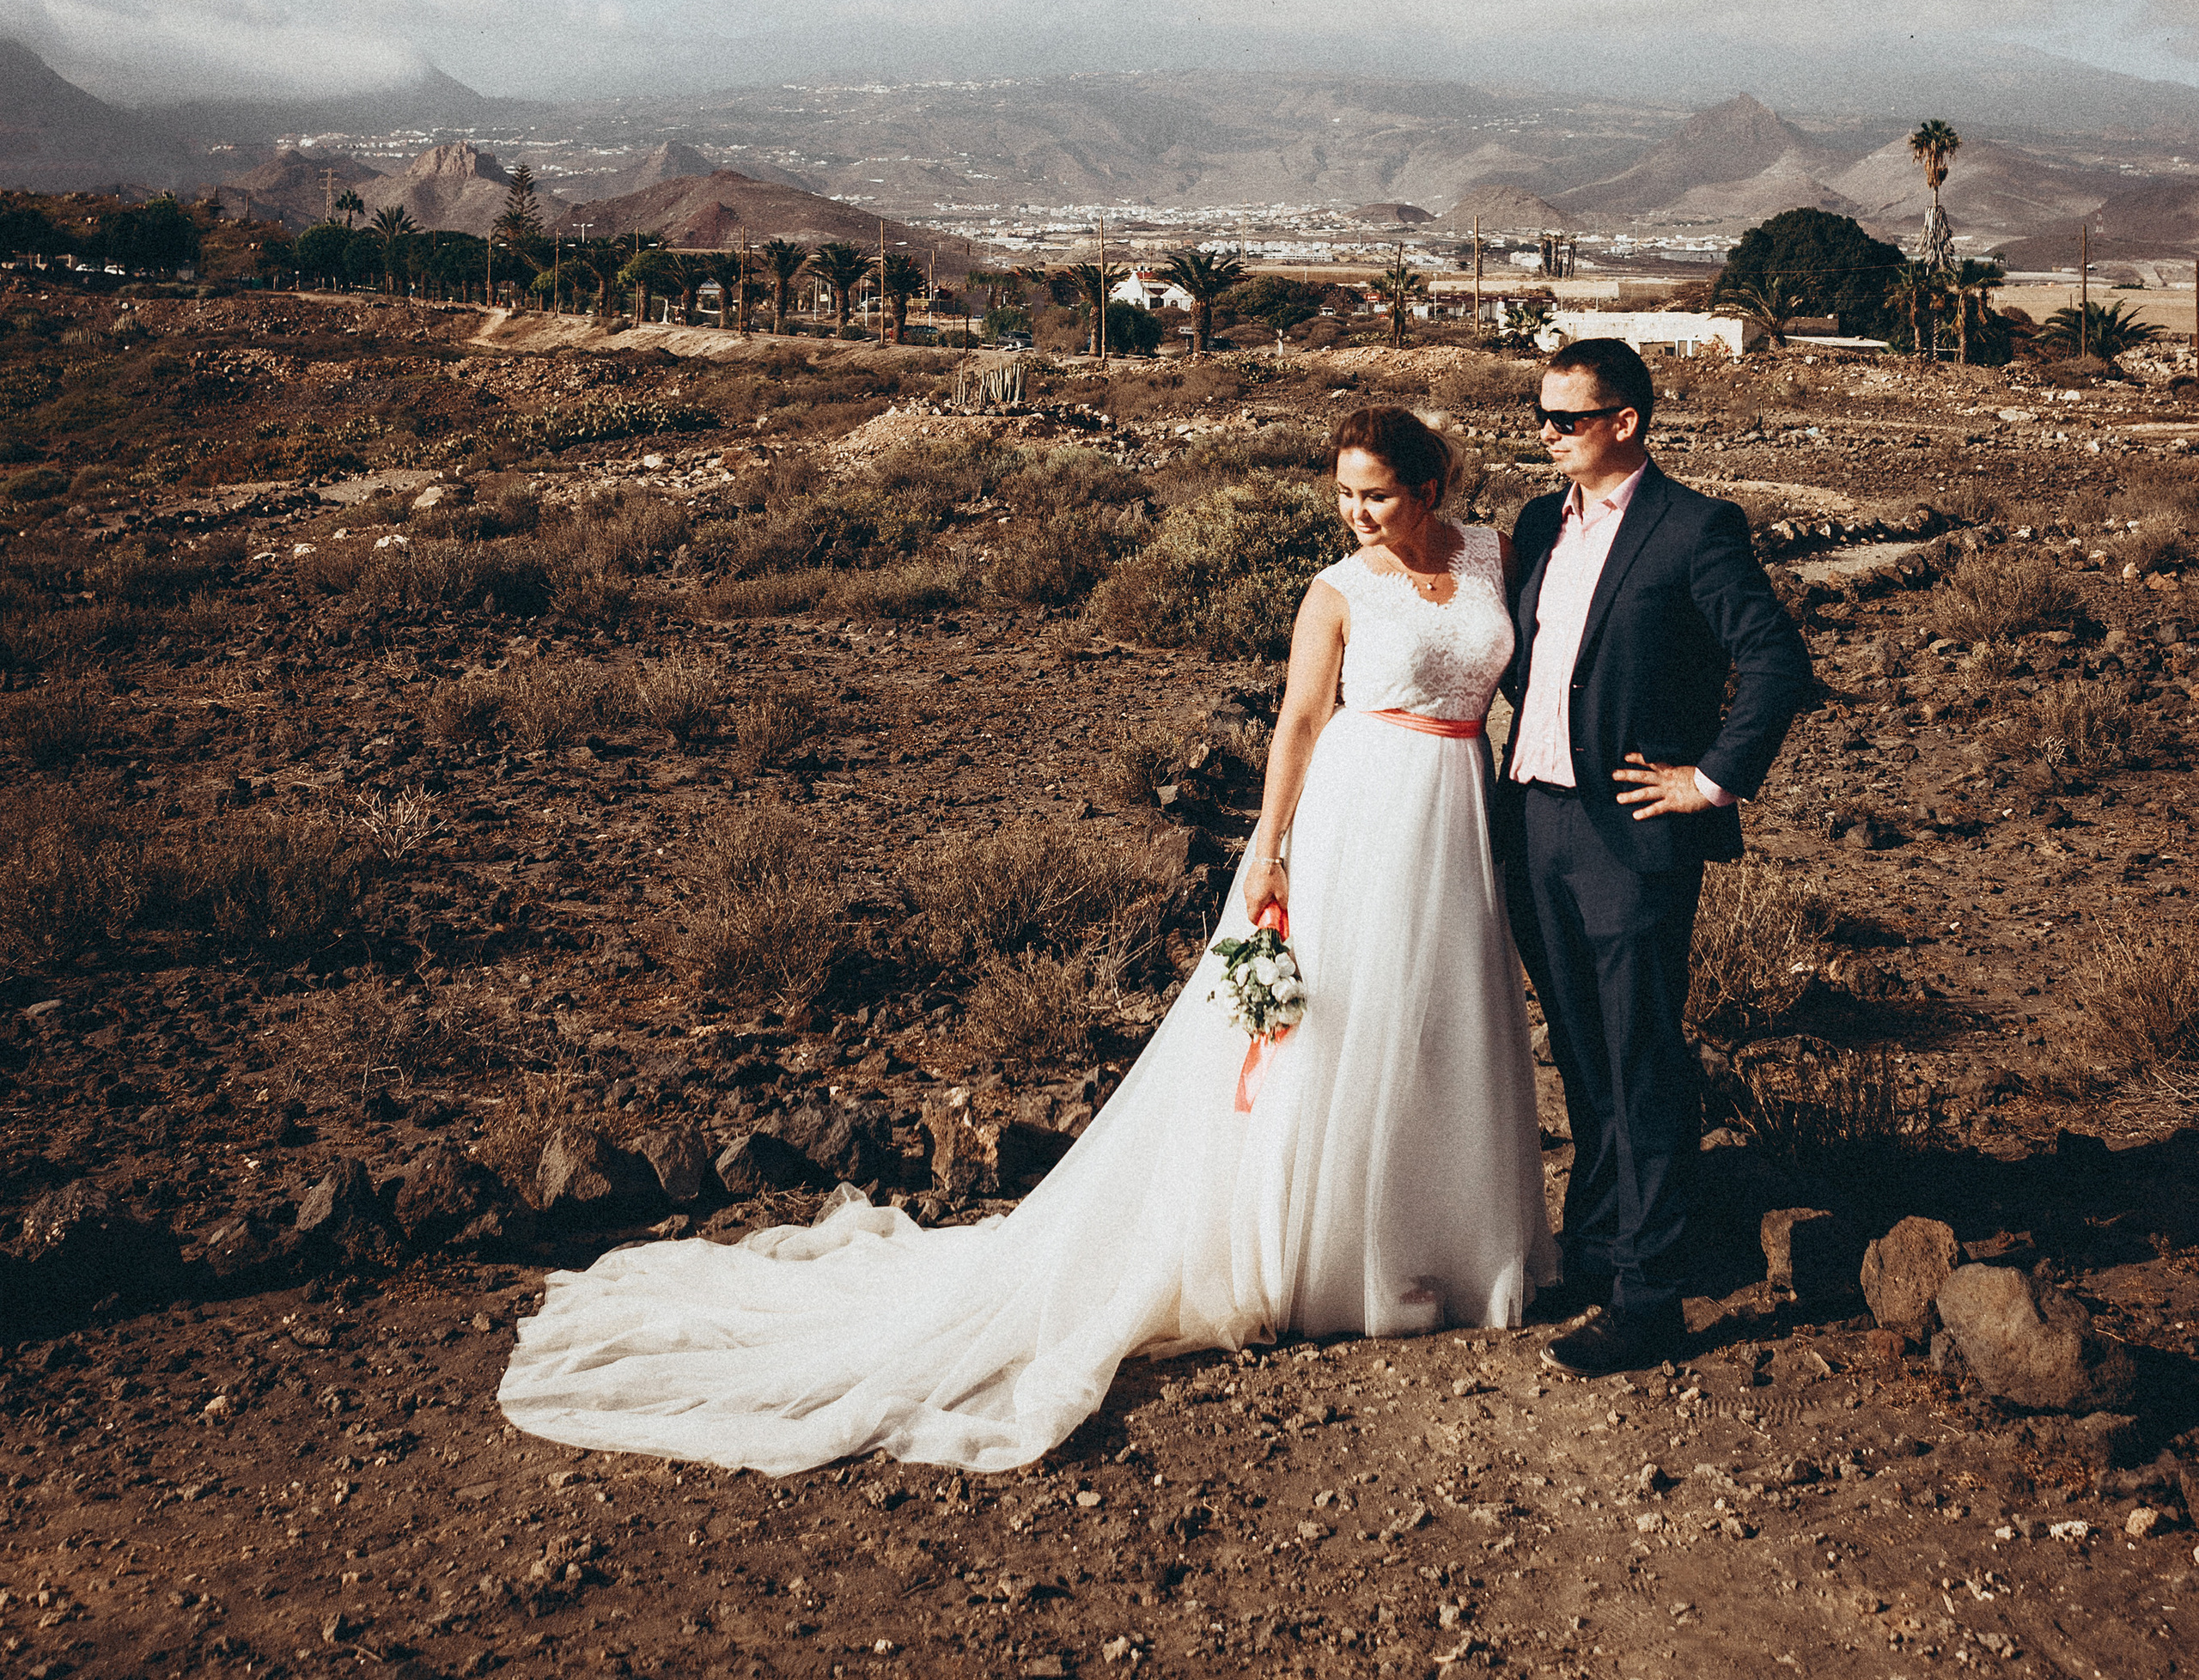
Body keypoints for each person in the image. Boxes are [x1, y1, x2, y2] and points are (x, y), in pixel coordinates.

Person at [498, 405, 1553, 1476]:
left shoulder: (1492, 555)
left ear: (1428, 486)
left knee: (1441, 1020)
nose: (1355, 512)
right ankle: (1329, 1261)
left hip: (1457, 804)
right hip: (1359, 815)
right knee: (1343, 1022)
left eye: (1373, 492)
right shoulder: (1334, 590)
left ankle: (1437, 1245)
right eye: (1341, 493)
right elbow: (1297, 721)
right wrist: (1269, 850)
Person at [1497, 336, 1814, 1379]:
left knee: (1642, 1059)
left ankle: (1651, 1297)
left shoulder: (1694, 529)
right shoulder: (1541, 522)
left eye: (1564, 420)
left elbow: (1773, 659)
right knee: (1582, 1055)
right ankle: (1595, 1250)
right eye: (1539, 416)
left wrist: (1710, 777)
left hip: (1629, 836)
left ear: (1623, 423)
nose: (1543, 436)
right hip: (1534, 821)